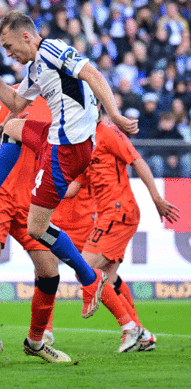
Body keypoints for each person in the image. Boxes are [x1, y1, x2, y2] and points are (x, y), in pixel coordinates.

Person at [0, 11, 138, 321]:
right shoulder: (37, 69)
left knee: (37, 227)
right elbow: (18, 105)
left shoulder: (51, 48)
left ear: (27, 36)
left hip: (67, 149)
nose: (8, 53)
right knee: (12, 127)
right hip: (59, 143)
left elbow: (92, 73)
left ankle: (90, 280)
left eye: (9, 46)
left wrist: (115, 114)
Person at [0, 94, 71, 365]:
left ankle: (36, 341)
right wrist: (7, 126)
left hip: (32, 200)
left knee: (49, 272)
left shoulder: (62, 104)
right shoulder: (15, 95)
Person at [68, 119, 179, 352]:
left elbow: (137, 161)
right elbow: (74, 188)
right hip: (107, 215)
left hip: (119, 212)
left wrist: (156, 198)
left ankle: (130, 328)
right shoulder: (80, 141)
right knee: (108, 274)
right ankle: (141, 333)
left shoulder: (107, 132)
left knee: (85, 267)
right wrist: (39, 191)